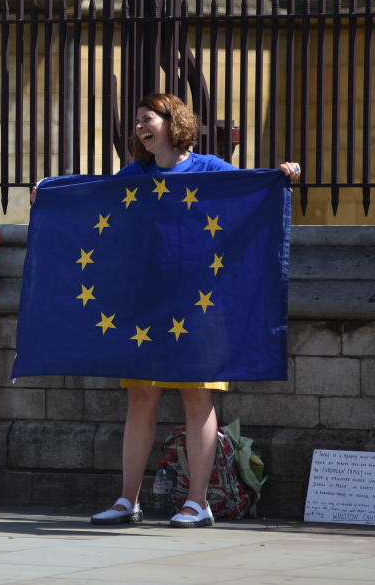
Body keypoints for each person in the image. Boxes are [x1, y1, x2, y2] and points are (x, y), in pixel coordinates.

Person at [31, 93, 300, 528]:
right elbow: (97, 197)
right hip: (148, 305)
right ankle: (126, 500)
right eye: (136, 121)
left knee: (197, 396)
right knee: (141, 397)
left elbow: (252, 189)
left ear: (172, 122)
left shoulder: (210, 168)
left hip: (199, 305)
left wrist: (285, 173)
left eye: (147, 117)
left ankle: (198, 503)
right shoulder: (136, 174)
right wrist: (51, 192)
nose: (139, 126)